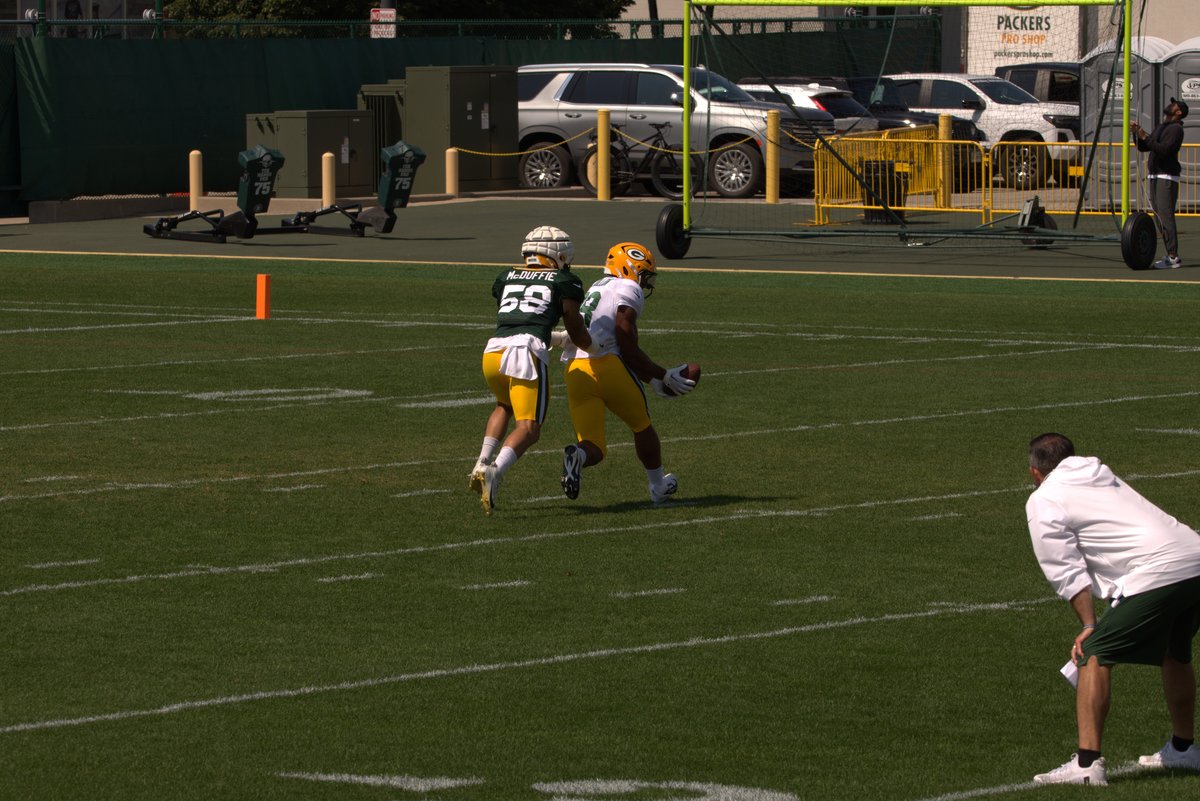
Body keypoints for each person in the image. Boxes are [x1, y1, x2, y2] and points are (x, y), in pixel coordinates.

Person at [1024, 433, 1200, 786]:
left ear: (1034, 472)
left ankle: (1087, 765)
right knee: (1174, 652)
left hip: (1159, 571)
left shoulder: (1044, 498)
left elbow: (1065, 569)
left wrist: (1089, 624)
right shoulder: (1099, 472)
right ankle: (1184, 749)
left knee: (1093, 652)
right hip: (1195, 557)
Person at [553, 242, 695, 507]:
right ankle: (658, 487)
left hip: (576, 370)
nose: (645, 285)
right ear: (629, 268)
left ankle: (577, 457)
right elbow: (626, 343)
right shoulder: (627, 287)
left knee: (593, 446)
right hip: (607, 365)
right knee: (642, 425)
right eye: (644, 276)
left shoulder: (596, 286)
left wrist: (653, 378)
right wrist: (662, 375)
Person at [469, 226, 594, 516]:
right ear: (557, 255)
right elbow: (576, 327)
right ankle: (494, 472)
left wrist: (554, 336)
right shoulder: (564, 280)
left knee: (504, 404)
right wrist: (593, 346)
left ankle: (481, 462)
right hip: (525, 354)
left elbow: (523, 318)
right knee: (529, 428)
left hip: (492, 352)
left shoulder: (506, 277)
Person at [1131, 98, 1188, 270]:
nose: (1170, 105)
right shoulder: (1162, 126)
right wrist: (1137, 133)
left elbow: (1164, 150)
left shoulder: (1176, 129)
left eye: (1174, 104)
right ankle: (1170, 255)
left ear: (1179, 112)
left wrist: (1145, 136)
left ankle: (1173, 257)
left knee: (1165, 216)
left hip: (1166, 177)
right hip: (1155, 176)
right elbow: (1146, 146)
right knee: (1159, 217)